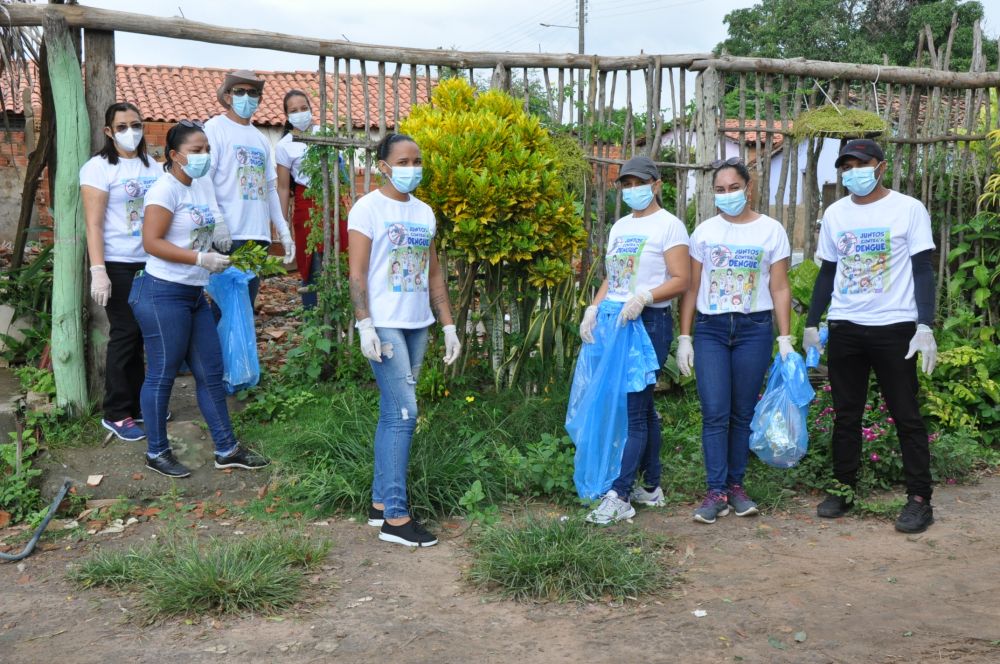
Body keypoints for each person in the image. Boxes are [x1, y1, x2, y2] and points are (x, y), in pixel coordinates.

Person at [803, 138, 937, 534]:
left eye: (860, 164)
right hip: (845, 325)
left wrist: (925, 324)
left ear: (880, 166)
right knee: (846, 414)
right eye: (846, 166)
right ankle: (842, 489)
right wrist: (812, 322)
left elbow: (923, 270)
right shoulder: (836, 214)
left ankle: (919, 499)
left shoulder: (908, 209)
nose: (852, 173)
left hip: (894, 326)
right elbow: (828, 272)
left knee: (905, 414)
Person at [133, 120, 269, 478]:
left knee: (210, 371)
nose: (204, 155)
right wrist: (199, 258)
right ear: (175, 155)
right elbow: (151, 242)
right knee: (162, 374)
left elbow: (210, 220)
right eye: (196, 150)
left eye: (206, 149)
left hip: (194, 293)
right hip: (163, 293)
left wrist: (219, 240)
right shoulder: (165, 191)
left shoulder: (201, 184)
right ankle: (156, 451)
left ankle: (226, 449)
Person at [348, 133, 461, 547]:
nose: (412, 168)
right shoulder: (367, 209)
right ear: (383, 166)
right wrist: (365, 324)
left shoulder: (424, 212)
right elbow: (357, 273)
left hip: (417, 324)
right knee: (404, 413)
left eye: (417, 160)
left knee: (392, 412)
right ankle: (396, 519)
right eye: (403, 161)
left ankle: (380, 503)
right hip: (384, 324)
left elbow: (433, 273)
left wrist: (448, 325)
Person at [677, 157, 792, 524]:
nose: (727, 195)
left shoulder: (771, 230)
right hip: (710, 329)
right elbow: (692, 287)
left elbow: (780, 287)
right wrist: (685, 336)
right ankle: (716, 492)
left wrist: (785, 337)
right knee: (715, 412)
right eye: (720, 190)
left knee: (742, 413)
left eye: (733, 188)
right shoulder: (704, 232)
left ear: (748, 188)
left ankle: (736, 487)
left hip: (754, 328)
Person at [580, 155, 690, 525]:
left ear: (656, 184)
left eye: (638, 183)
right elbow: (613, 278)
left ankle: (621, 494)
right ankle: (652, 487)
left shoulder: (669, 226)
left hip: (648, 323)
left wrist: (645, 296)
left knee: (634, 411)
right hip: (616, 322)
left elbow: (682, 279)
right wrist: (593, 308)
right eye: (626, 184)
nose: (632, 190)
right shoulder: (620, 227)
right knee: (640, 408)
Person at [81, 102, 162, 442]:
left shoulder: (153, 166)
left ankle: (138, 405)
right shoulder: (98, 169)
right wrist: (98, 269)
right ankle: (115, 412)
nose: (132, 132)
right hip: (117, 263)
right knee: (126, 332)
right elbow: (93, 224)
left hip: (151, 262)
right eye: (123, 127)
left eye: (136, 124)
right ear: (108, 132)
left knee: (143, 334)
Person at [204, 70, 294, 307]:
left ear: (259, 99)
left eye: (252, 93)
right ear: (228, 96)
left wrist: (283, 231)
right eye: (240, 91)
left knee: (244, 308)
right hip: (228, 235)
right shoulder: (215, 128)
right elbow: (204, 180)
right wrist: (217, 222)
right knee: (224, 309)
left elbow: (270, 188)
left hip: (258, 237)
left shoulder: (260, 138)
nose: (246, 97)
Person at [275, 89, 349, 309]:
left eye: (304, 108)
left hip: (333, 201)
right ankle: (313, 316)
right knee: (312, 262)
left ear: (311, 108)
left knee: (341, 256)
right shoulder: (284, 145)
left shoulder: (325, 133)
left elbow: (341, 172)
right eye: (294, 110)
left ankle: (342, 313)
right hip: (305, 205)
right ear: (287, 116)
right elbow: (282, 187)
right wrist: (282, 226)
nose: (300, 113)